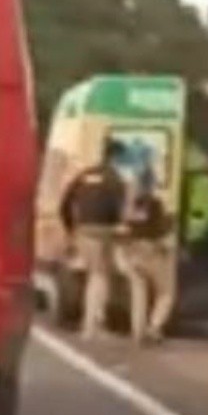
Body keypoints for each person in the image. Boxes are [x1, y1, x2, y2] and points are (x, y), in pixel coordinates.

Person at [58, 138, 129, 340]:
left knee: (94, 276)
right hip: (103, 232)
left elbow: (64, 203)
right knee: (100, 278)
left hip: (83, 230)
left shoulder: (85, 175)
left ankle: (92, 323)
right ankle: (92, 326)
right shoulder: (115, 179)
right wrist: (120, 226)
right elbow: (119, 211)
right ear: (116, 157)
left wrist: (71, 228)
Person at [117, 166, 174, 346]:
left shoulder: (129, 206)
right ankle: (154, 327)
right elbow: (161, 230)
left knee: (138, 293)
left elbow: (123, 230)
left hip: (132, 252)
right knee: (166, 292)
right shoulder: (155, 204)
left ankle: (137, 332)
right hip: (151, 251)